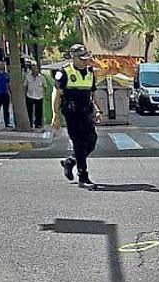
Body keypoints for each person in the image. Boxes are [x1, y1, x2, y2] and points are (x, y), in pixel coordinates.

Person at [51, 44, 103, 188]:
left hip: (86, 111)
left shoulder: (90, 73)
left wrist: (99, 111)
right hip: (71, 111)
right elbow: (56, 93)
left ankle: (70, 161)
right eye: (82, 59)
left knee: (92, 140)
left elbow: (93, 93)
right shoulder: (64, 72)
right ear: (73, 58)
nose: (86, 61)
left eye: (87, 58)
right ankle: (83, 178)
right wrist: (55, 115)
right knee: (79, 143)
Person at [24, 63, 46, 128]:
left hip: (39, 96)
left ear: (38, 69)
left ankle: (38, 124)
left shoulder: (42, 77)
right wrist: (25, 94)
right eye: (33, 68)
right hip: (29, 95)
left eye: (36, 68)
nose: (34, 70)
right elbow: (25, 86)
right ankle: (30, 124)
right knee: (29, 111)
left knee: (38, 111)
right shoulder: (28, 76)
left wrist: (44, 94)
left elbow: (44, 86)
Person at [0, 61, 11, 129]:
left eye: (3, 64)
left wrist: (9, 93)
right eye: (0, 64)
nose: (2, 65)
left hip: (5, 93)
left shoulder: (6, 74)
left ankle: (7, 122)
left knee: (6, 109)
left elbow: (8, 84)